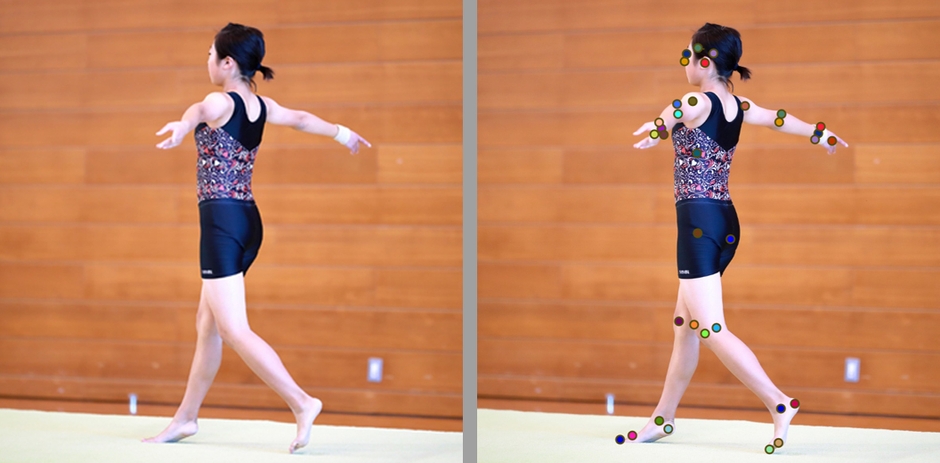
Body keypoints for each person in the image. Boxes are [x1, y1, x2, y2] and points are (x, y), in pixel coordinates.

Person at [142, 23, 370, 454]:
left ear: (228, 63)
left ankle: (302, 402)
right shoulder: (262, 106)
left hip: (222, 224)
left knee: (233, 328)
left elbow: (198, 108)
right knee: (207, 325)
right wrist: (342, 133)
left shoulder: (220, 101)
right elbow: (301, 120)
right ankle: (185, 418)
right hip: (248, 222)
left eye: (210, 54)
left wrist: (183, 125)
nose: (207, 61)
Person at [629, 23, 847, 454]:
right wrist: (819, 132)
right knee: (685, 326)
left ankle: (778, 402)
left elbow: (676, 110)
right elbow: (778, 118)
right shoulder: (738, 106)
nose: (684, 65)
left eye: (687, 57)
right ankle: (663, 417)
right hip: (725, 224)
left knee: (710, 328)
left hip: (698, 226)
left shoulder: (696, 101)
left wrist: (657, 128)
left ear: (703, 62)